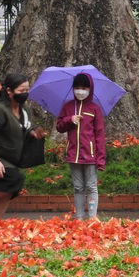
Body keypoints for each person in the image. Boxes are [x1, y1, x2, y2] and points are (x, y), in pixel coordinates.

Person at [0, 73, 47, 218]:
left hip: (12, 158)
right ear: (9, 91)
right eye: (21, 91)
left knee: (10, 190)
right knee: (14, 180)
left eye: (27, 90)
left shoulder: (25, 109)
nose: (25, 94)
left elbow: (24, 128)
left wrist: (34, 133)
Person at [56, 73, 106, 219]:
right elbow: (59, 126)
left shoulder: (95, 109)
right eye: (77, 88)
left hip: (90, 156)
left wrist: (101, 159)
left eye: (84, 88)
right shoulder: (68, 107)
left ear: (90, 89)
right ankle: (79, 218)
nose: (80, 91)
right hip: (73, 155)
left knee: (91, 187)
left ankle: (92, 218)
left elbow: (100, 135)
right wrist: (69, 119)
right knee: (78, 187)